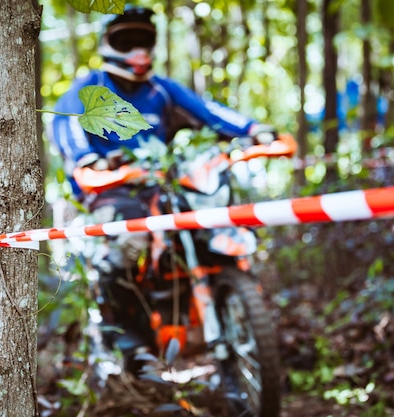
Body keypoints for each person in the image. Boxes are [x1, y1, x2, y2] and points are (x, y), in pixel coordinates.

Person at [51, 5, 276, 361]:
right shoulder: (86, 90)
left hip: (164, 187)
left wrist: (254, 130)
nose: (138, 50)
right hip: (111, 193)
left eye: (144, 40)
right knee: (127, 245)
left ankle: (219, 309)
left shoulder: (162, 90)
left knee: (213, 220)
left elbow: (209, 112)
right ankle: (126, 340)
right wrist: (92, 162)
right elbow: (69, 135)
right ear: (109, 44)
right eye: (127, 40)